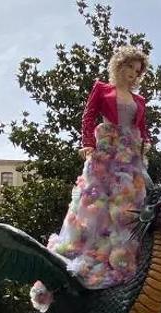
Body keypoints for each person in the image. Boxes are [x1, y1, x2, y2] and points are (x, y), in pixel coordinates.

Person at [34, 45, 150, 299]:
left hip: (129, 157)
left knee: (125, 209)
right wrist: (88, 144)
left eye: (137, 71)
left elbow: (142, 128)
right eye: (130, 67)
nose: (133, 73)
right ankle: (79, 258)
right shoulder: (101, 88)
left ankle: (117, 262)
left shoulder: (139, 100)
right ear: (119, 65)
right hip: (105, 152)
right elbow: (88, 117)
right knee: (93, 203)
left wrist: (145, 147)